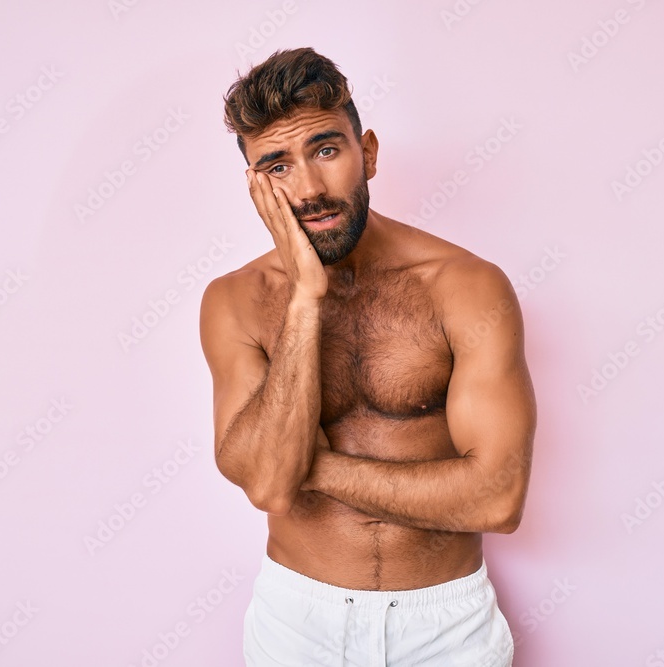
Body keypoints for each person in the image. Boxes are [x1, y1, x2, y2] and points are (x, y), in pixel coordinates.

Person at [199, 47, 536, 666]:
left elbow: (497, 500)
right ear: (253, 185)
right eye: (276, 166)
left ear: (369, 153)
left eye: (327, 150)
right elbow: (272, 490)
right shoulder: (234, 302)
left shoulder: (466, 287)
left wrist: (305, 464)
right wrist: (306, 297)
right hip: (298, 622)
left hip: (447, 627)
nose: (308, 188)